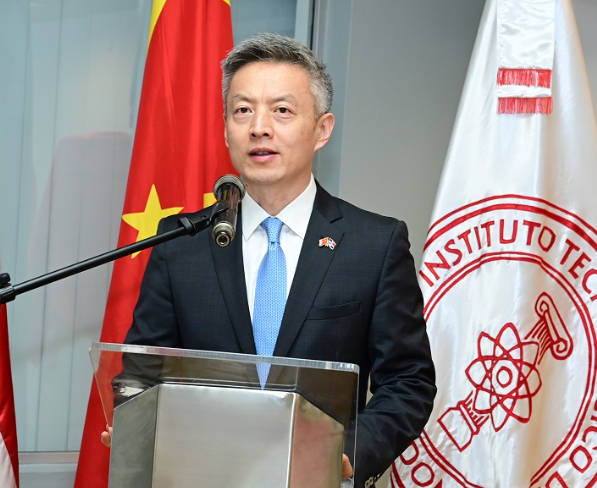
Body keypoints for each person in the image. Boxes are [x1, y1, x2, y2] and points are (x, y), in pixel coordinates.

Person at [103, 33, 436, 487]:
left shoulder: (374, 245)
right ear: (225, 128)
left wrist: (346, 455)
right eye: (242, 110)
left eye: (282, 110)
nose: (259, 127)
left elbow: (408, 380)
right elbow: (143, 372)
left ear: (322, 130)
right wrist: (137, 424)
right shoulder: (182, 242)